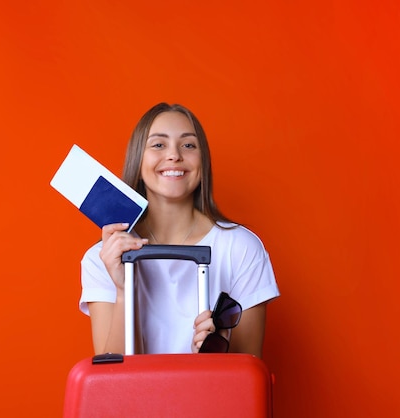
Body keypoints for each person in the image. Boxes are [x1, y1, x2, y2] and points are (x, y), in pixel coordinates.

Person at [79, 103, 280, 357]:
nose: (174, 155)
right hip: (137, 398)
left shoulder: (241, 248)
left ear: (203, 161)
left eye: (188, 145)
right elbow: (113, 383)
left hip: (212, 396)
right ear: (138, 160)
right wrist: (124, 290)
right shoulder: (103, 258)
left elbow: (250, 376)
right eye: (158, 145)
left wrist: (216, 353)